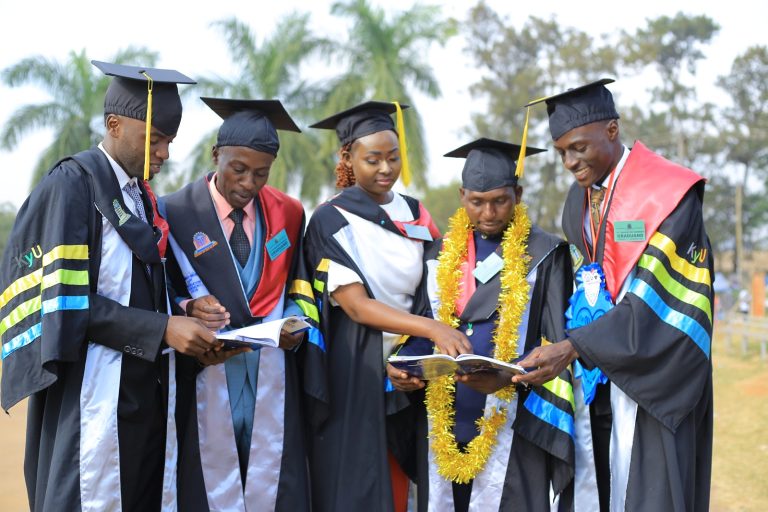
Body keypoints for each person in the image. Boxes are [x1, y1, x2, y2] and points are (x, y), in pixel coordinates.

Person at [0, 61, 221, 511]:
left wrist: (184, 308)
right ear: (115, 125)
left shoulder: (140, 197)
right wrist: (163, 329)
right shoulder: (73, 186)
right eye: (154, 139)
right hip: (90, 393)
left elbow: (136, 285)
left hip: (143, 394)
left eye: (169, 143)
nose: (163, 153)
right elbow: (62, 300)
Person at [515, 79, 714, 511]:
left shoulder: (668, 195)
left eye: (578, 147)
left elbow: (659, 299)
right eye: (562, 151)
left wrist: (573, 347)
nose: (569, 161)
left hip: (653, 373)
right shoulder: (578, 201)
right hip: (598, 377)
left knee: (649, 493)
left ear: (611, 130)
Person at [300, 100, 472, 512]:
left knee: (407, 484)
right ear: (347, 157)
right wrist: (432, 331)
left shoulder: (415, 213)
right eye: (373, 159)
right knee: (361, 483)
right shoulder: (330, 220)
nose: (385, 169)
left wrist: (418, 349)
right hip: (357, 368)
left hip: (412, 368)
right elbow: (355, 306)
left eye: (393, 157)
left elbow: (436, 287)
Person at [389, 137, 576, 511]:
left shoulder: (545, 254)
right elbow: (423, 326)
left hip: (514, 419)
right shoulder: (440, 255)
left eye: (499, 200)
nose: (488, 212)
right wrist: (403, 364)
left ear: (518, 194)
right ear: (462, 196)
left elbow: (556, 341)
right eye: (477, 201)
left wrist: (511, 377)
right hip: (444, 415)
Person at [161, 97, 310, 511]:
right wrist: (188, 307)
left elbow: (300, 286)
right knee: (208, 483)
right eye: (238, 169)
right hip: (205, 372)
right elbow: (159, 289)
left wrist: (298, 326)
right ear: (216, 156)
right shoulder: (174, 210)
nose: (248, 183)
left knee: (271, 478)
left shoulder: (289, 213)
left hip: (270, 372)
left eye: (261, 173)